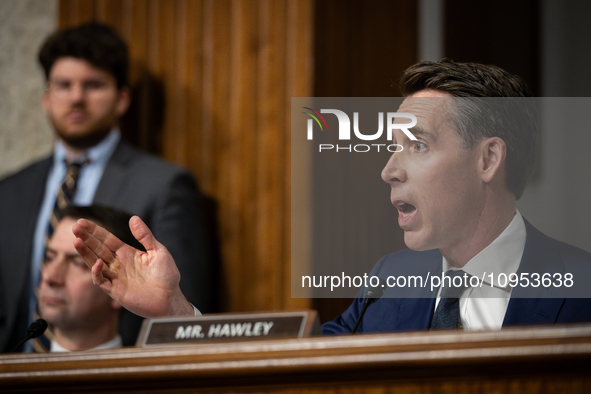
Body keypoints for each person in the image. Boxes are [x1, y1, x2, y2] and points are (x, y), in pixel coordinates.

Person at [71, 59, 591, 329]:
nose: (389, 170)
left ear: (488, 159)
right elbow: (296, 371)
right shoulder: (391, 280)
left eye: (417, 146)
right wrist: (179, 314)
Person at [0, 22, 213, 353]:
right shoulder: (10, 190)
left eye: (93, 85)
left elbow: (185, 301)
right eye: (63, 85)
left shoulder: (164, 185)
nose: (76, 98)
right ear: (45, 97)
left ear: (122, 99)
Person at [38, 205, 142, 352]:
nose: (50, 277)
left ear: (121, 284)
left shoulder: (150, 374)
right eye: (50, 258)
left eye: (78, 263)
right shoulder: (11, 372)